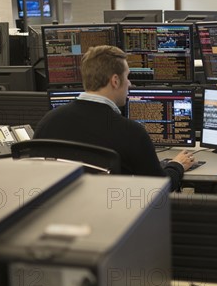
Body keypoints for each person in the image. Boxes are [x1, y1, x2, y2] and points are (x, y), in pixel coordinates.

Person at [33, 45, 196, 191]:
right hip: (113, 219)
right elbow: (158, 187)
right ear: (115, 81)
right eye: (127, 77)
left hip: (58, 217)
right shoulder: (131, 132)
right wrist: (176, 166)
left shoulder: (48, 121)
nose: (130, 84)